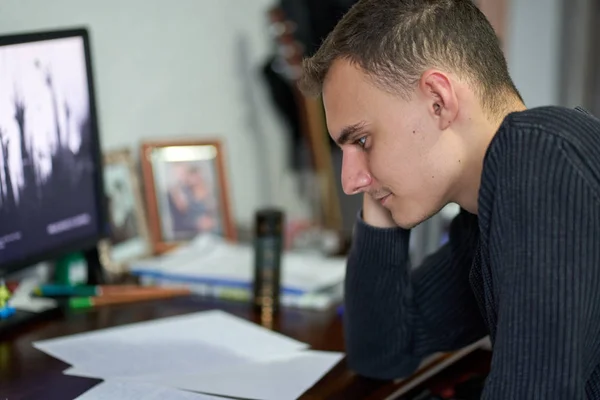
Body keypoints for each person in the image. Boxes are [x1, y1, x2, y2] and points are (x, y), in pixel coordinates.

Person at [299, 0, 600, 398]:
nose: (349, 181)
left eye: (362, 140)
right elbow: (383, 352)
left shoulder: (541, 158)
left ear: (438, 100)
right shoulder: (486, 211)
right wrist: (378, 189)